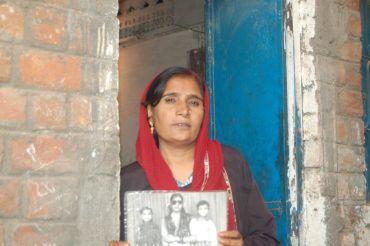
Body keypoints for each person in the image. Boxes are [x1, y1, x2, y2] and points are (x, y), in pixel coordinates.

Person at [117, 66, 279, 245]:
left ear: (204, 112)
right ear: (150, 113)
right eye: (170, 100)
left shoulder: (231, 164)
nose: (184, 110)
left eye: (194, 102)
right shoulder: (127, 182)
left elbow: (267, 237)